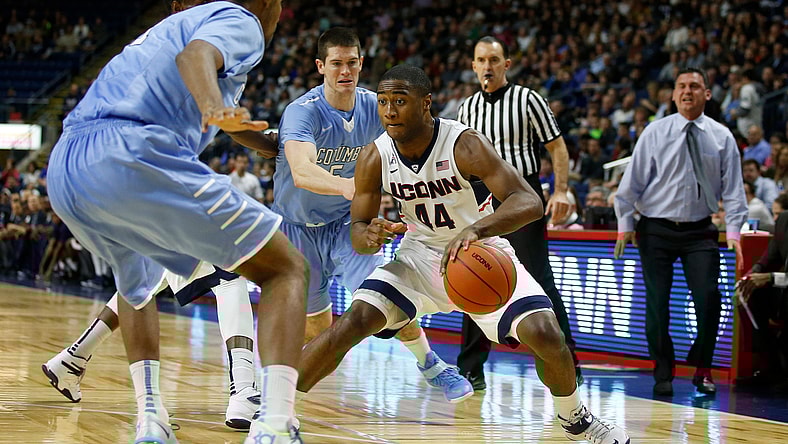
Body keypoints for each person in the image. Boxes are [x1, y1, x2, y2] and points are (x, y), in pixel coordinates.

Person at [295, 64, 630, 444]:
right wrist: (368, 235)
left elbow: (528, 201)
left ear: (426, 104)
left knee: (547, 334)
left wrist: (476, 229)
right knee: (354, 320)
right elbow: (358, 230)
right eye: (384, 101)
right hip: (419, 257)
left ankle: (576, 420)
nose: (389, 111)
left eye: (400, 102)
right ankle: (276, 408)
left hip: (480, 251)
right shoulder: (375, 156)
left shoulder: (464, 143)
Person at [45, 1, 306, 443]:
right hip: (132, 153)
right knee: (284, 268)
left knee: (138, 286)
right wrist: (214, 109)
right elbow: (196, 60)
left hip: (69, 167)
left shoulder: (169, 29)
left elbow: (203, 83)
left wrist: (262, 141)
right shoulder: (241, 19)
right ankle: (274, 424)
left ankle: (151, 418)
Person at [271, 27, 471, 402]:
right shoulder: (302, 111)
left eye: (351, 63)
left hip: (349, 225)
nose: (344, 71)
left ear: (361, 63)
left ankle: (431, 364)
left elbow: (412, 147)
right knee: (317, 326)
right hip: (297, 229)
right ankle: (282, 390)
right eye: (336, 64)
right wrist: (352, 187)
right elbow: (302, 171)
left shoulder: (376, 107)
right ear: (320, 67)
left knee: (389, 296)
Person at [455, 36, 581, 390]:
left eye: (495, 59)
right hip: (480, 197)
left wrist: (559, 190)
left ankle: (567, 359)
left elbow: (557, 146)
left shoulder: (528, 99)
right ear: (474, 66)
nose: (488, 66)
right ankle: (470, 368)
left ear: (507, 64)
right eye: (482, 60)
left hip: (522, 194)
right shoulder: (466, 109)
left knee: (540, 277)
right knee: (471, 278)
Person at [614, 67, 748, 397]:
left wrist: (734, 232)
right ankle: (663, 371)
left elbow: (733, 190)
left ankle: (702, 367)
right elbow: (630, 186)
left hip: (700, 231)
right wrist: (624, 225)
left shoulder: (722, 136)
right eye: (682, 86)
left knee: (710, 300)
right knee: (657, 304)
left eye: (695, 86)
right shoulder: (654, 132)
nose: (688, 91)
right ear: (673, 95)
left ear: (707, 94)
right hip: (656, 229)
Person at [42, 262, 262, 431]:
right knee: (229, 278)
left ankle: (72, 360)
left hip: (151, 211)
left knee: (143, 283)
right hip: (177, 209)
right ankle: (242, 390)